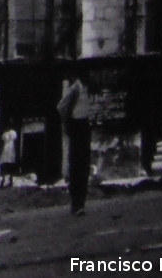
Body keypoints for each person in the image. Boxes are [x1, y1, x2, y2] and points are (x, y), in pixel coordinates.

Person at [57, 65, 91, 216]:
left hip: (84, 126)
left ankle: (80, 203)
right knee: (77, 166)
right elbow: (61, 107)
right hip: (78, 127)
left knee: (83, 167)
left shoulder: (83, 88)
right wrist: (68, 122)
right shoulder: (75, 89)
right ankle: (76, 204)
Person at [0, 121, 17, 188]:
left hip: (10, 148)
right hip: (7, 149)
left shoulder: (12, 133)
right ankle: (4, 179)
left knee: (10, 163)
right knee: (5, 163)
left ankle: (10, 179)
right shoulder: (5, 134)